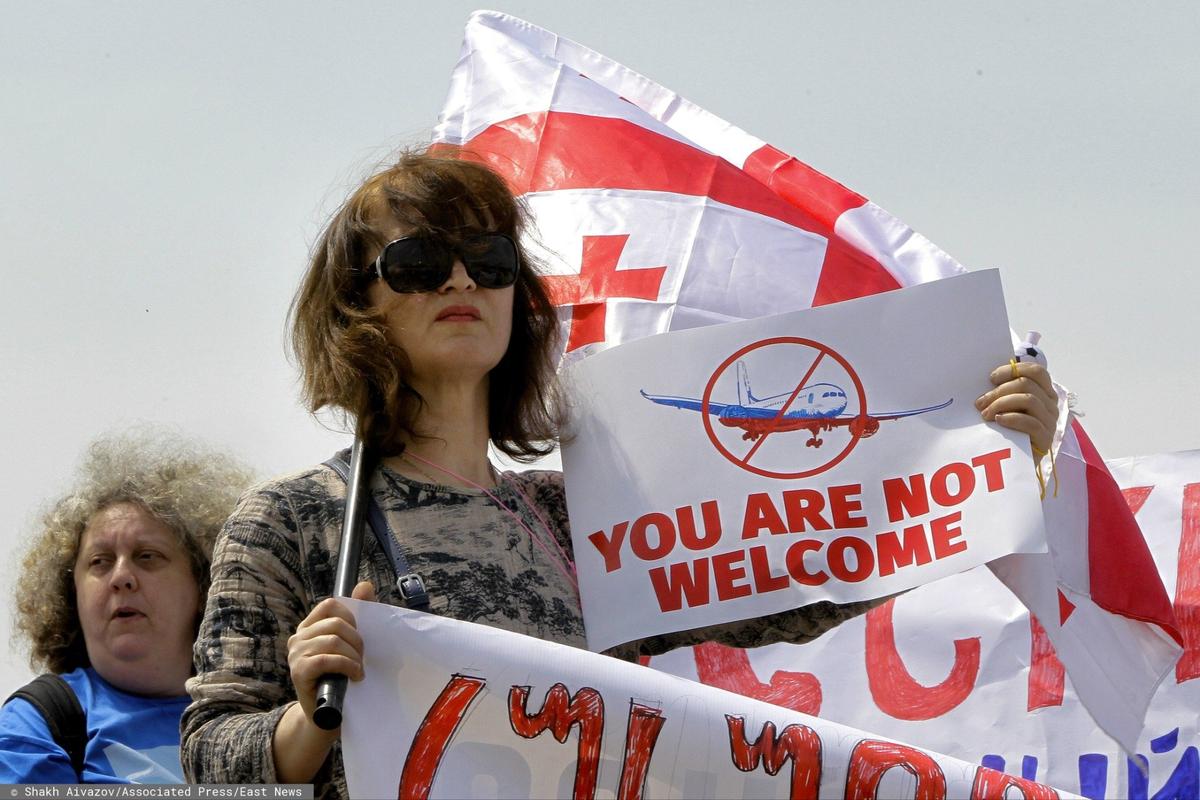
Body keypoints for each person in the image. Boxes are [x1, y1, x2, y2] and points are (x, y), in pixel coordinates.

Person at [181, 148, 1059, 797]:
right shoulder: (294, 521)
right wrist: (305, 717)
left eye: (488, 264)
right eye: (418, 263)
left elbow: (796, 579)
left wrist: (994, 458)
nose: (460, 279)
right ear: (356, 304)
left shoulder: (579, 519)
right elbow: (210, 757)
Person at [0, 432, 253, 783]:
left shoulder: (266, 715)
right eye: (100, 562)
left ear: (205, 584)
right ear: (70, 594)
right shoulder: (38, 721)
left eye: (147, 557)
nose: (121, 577)